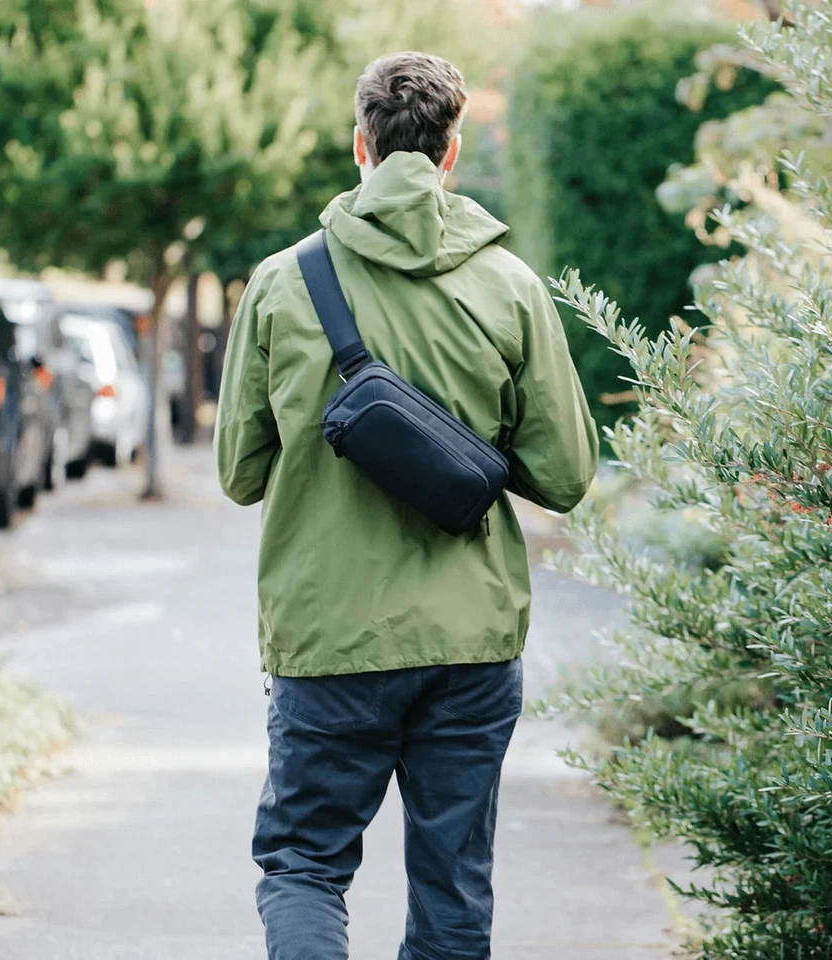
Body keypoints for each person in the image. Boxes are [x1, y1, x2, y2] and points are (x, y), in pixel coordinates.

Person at [215, 50, 598, 960]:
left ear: (361, 143)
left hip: (327, 637)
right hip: (470, 642)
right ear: (451, 151)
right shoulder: (508, 286)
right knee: (452, 885)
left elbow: (239, 472)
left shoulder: (282, 282)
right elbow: (565, 475)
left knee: (304, 865)